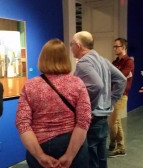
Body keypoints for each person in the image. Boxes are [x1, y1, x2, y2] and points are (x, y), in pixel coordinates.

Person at [16, 39, 92, 168]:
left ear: (42, 58)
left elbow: (22, 123)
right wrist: (69, 156)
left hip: (39, 144)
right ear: (65, 58)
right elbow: (84, 120)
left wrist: (40, 156)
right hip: (71, 142)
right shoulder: (77, 83)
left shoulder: (30, 85)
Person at [71, 31, 126, 168]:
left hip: (93, 118)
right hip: (103, 118)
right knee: (101, 158)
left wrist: (88, 107)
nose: (71, 47)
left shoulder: (83, 63)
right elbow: (122, 79)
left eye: (72, 44)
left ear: (78, 46)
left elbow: (97, 85)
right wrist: (110, 101)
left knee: (91, 159)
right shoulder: (103, 60)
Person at [108, 38, 134, 158]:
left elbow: (121, 76)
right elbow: (110, 75)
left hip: (121, 95)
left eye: (116, 46)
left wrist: (117, 76)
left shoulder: (128, 61)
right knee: (115, 121)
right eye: (114, 46)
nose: (114, 48)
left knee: (113, 121)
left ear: (123, 47)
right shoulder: (115, 62)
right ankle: (116, 144)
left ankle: (120, 146)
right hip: (112, 93)